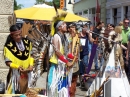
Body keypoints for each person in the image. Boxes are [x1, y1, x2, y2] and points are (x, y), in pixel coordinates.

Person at [48, 14, 75, 97]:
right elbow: (57, 52)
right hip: (57, 67)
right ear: (59, 27)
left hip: (63, 66)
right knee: (56, 87)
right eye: (63, 24)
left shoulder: (64, 36)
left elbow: (66, 52)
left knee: (63, 87)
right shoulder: (56, 36)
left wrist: (72, 57)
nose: (66, 25)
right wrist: (67, 62)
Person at [4, 25, 34, 94]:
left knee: (28, 92)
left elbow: (31, 55)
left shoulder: (27, 42)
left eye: (20, 34)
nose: (19, 37)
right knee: (17, 92)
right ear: (12, 36)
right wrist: (18, 67)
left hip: (27, 72)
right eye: (16, 35)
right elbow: (8, 62)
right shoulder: (9, 46)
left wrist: (31, 66)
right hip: (16, 73)